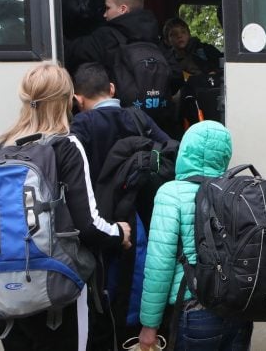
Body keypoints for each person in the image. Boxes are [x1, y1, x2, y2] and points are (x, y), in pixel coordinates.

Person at [0, 62, 132, 350]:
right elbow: (88, 227)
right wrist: (119, 232)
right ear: (68, 99)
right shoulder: (65, 145)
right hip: (57, 292)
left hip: (5, 293)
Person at [69, 62, 171, 349]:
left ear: (77, 100)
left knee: (105, 297)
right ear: (112, 89)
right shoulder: (138, 117)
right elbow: (169, 148)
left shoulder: (81, 125)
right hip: (139, 219)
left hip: (101, 223)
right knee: (135, 286)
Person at [137, 121, 253, 351]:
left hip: (196, 313)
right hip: (240, 311)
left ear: (186, 150)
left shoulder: (171, 193)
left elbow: (160, 264)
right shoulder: (239, 192)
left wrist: (149, 325)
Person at [65, 0, 182, 136]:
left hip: (121, 128)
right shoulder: (156, 38)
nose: (104, 15)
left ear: (123, 9)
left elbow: (70, 53)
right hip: (158, 128)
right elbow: (176, 76)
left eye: (107, 8)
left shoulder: (105, 37)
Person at [162, 17, 223, 126]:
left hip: (210, 96)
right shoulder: (167, 60)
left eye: (183, 32)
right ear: (167, 40)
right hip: (186, 101)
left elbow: (222, 67)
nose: (179, 36)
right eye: (173, 34)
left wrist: (213, 73)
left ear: (189, 34)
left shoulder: (205, 50)